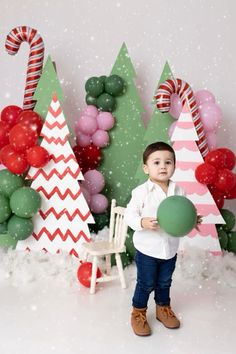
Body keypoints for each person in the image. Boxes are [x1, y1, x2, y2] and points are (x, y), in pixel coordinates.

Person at [124, 141, 201, 336]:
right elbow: (129, 215)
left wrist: (191, 220)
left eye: (168, 162)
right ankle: (138, 312)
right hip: (148, 250)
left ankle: (162, 308)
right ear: (145, 168)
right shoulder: (140, 192)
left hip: (170, 249)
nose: (163, 166)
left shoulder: (179, 191)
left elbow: (182, 214)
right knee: (146, 283)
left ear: (174, 166)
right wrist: (142, 222)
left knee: (165, 282)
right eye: (156, 162)